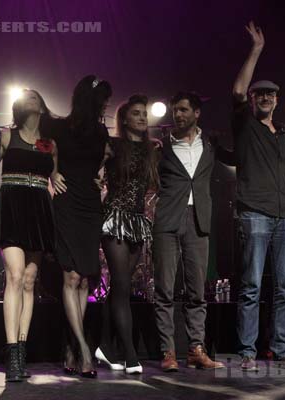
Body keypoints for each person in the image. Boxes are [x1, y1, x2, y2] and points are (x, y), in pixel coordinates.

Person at [231, 22, 285, 370]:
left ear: (278, 100)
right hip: (255, 213)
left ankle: (282, 348)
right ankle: (247, 352)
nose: (264, 98)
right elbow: (236, 89)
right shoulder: (246, 125)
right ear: (252, 99)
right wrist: (257, 50)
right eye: (259, 94)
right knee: (250, 285)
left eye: (270, 95)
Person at [153, 91, 230, 372]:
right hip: (167, 221)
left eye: (184, 110)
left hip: (199, 220)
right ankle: (168, 352)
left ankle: (197, 349)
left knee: (197, 290)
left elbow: (237, 156)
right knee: (165, 290)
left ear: (197, 113)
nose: (179, 114)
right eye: (176, 110)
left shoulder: (210, 143)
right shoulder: (161, 147)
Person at [0, 89, 58, 381]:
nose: (31, 98)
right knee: (15, 276)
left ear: (43, 105)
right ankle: (11, 354)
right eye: (26, 96)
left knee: (30, 282)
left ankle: (21, 349)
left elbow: (56, 177)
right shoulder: (7, 136)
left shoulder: (50, 144)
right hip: (12, 206)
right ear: (19, 106)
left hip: (39, 209)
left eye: (35, 95)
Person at [51, 75, 112, 378]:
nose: (106, 105)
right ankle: (84, 350)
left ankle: (71, 347)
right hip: (66, 201)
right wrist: (52, 173)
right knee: (71, 276)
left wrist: (101, 177)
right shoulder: (60, 126)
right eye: (102, 99)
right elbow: (43, 150)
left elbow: (100, 165)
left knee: (86, 280)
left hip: (90, 204)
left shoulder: (102, 131)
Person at [94, 94, 159, 374]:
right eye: (136, 113)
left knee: (122, 287)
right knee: (121, 284)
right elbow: (92, 169)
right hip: (113, 217)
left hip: (136, 220)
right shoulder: (113, 145)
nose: (143, 118)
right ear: (124, 118)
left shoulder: (151, 149)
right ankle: (130, 354)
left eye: (144, 113)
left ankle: (105, 347)